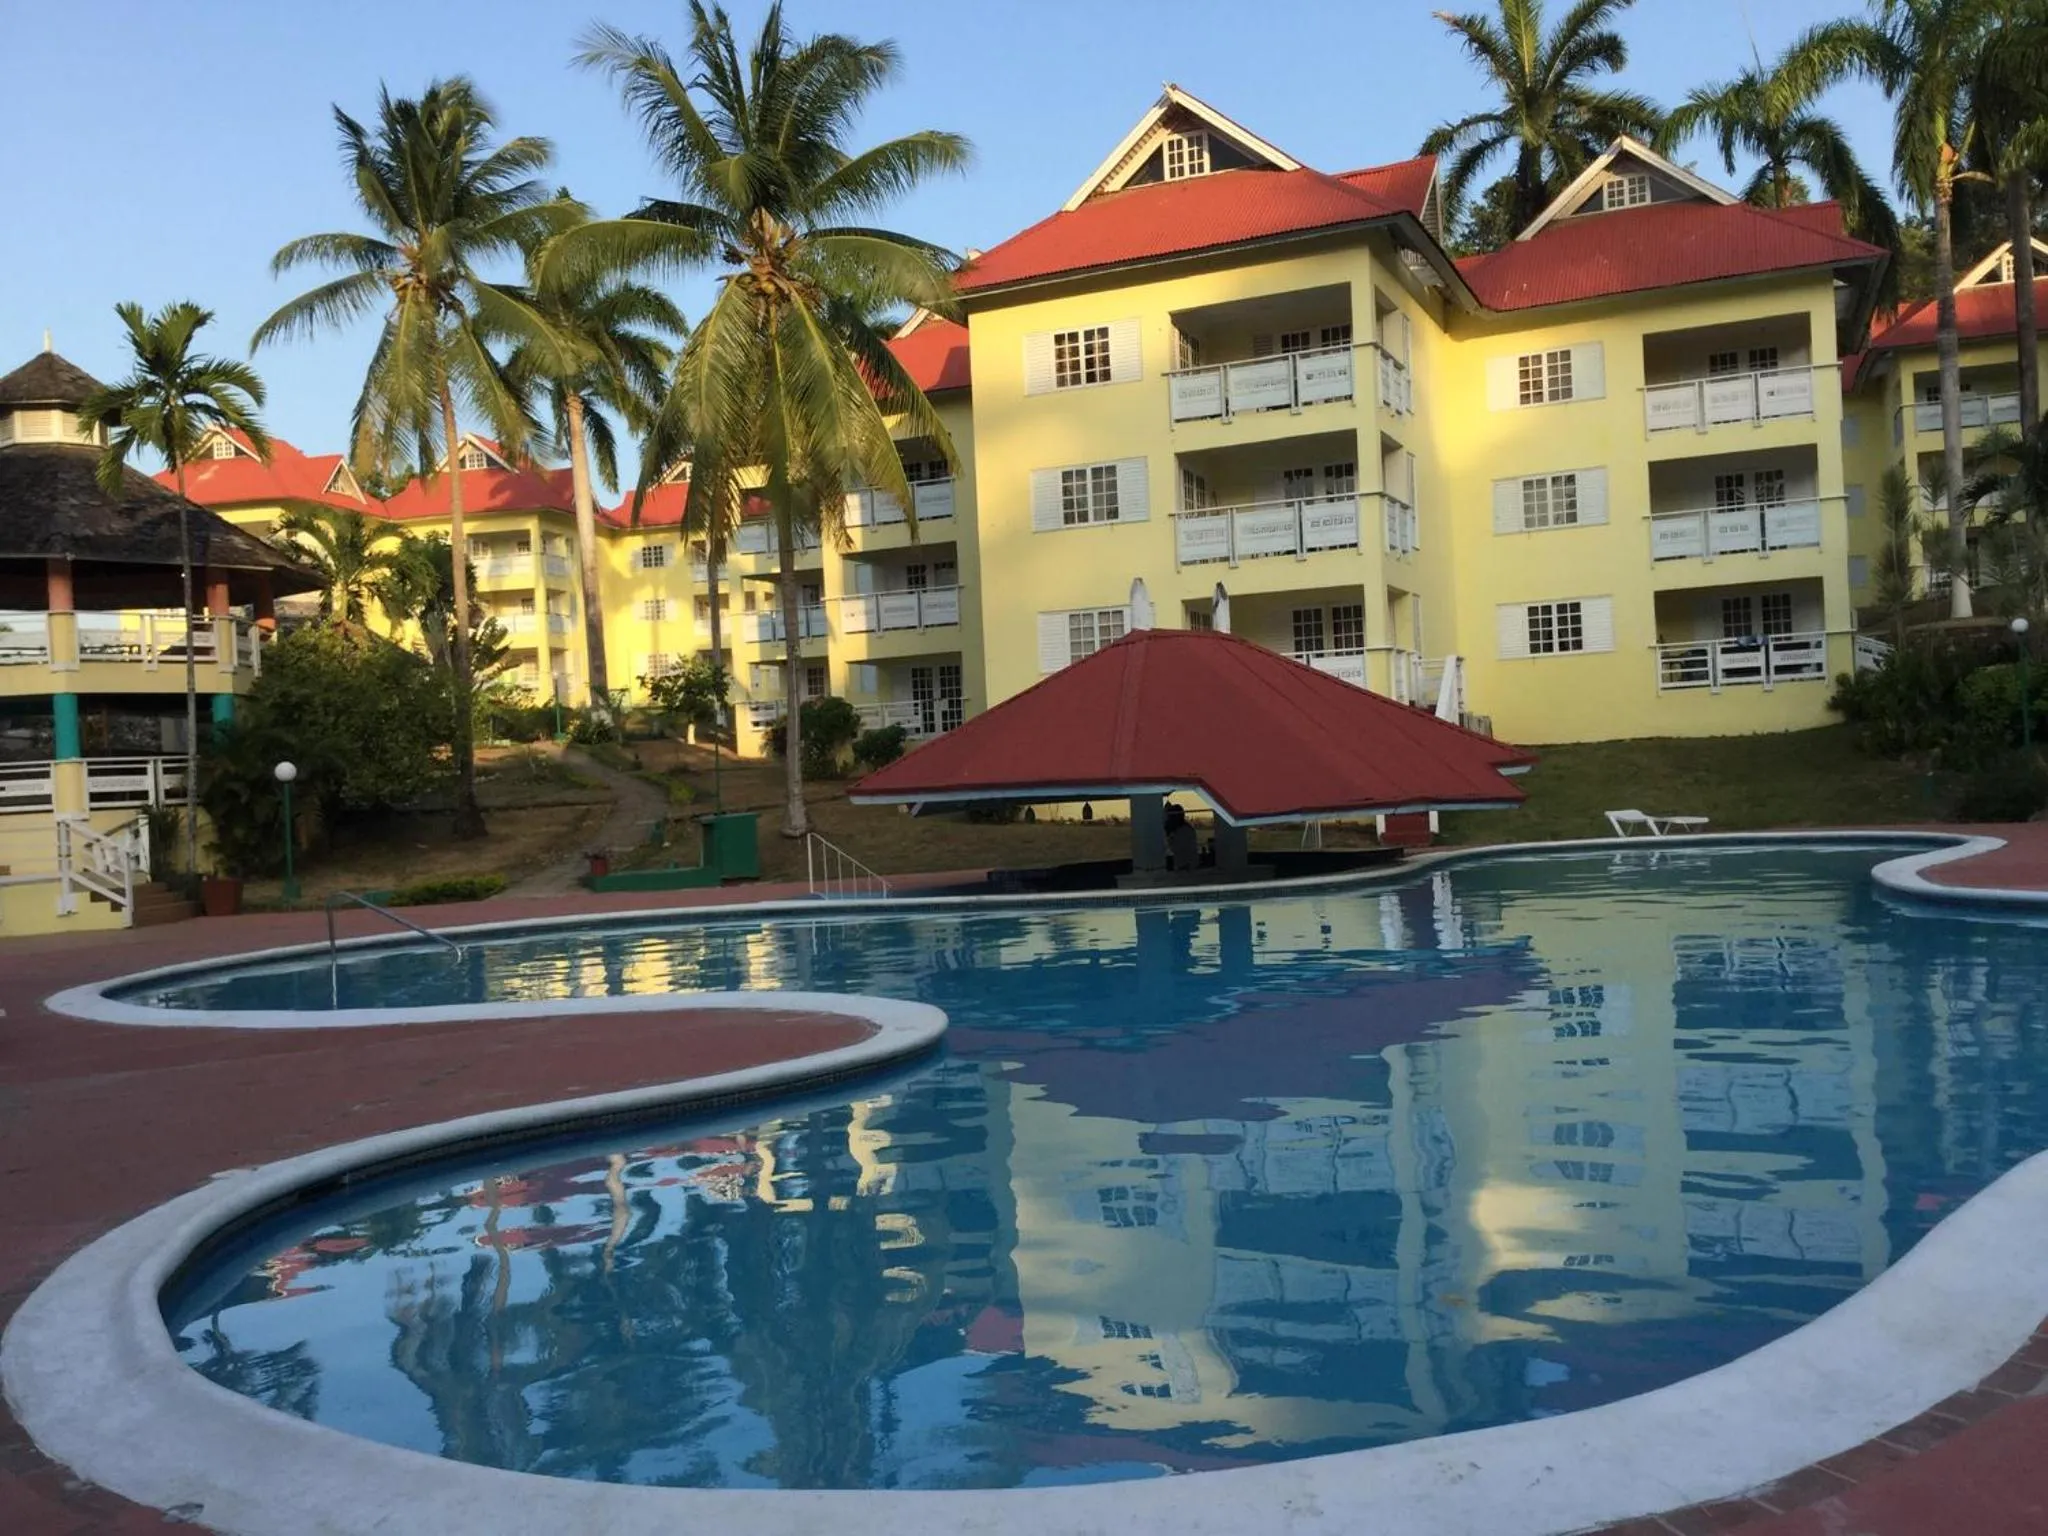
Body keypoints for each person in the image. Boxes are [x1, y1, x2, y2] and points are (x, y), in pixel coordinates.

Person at [1164, 802, 1200, 872]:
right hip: (1188, 865)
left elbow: (1175, 849)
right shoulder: (1187, 829)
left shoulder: (1182, 831)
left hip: (1186, 867)